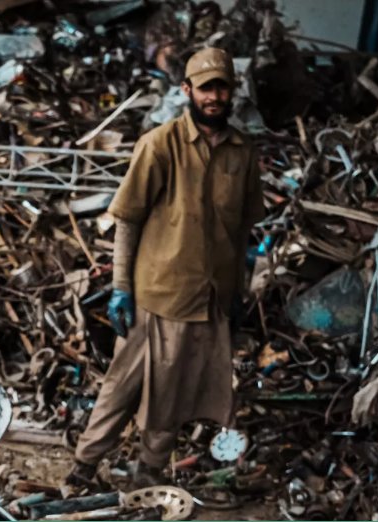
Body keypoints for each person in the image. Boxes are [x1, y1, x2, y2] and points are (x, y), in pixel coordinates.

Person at [66, 48, 265, 489]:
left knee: (172, 398)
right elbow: (128, 221)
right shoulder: (160, 145)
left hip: (209, 301)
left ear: (233, 92)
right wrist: (121, 288)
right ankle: (82, 468)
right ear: (187, 90)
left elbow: (246, 232)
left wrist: (240, 292)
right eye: (206, 87)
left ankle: (148, 476)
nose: (214, 96)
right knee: (121, 389)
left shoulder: (242, 153)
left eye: (222, 86)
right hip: (155, 296)